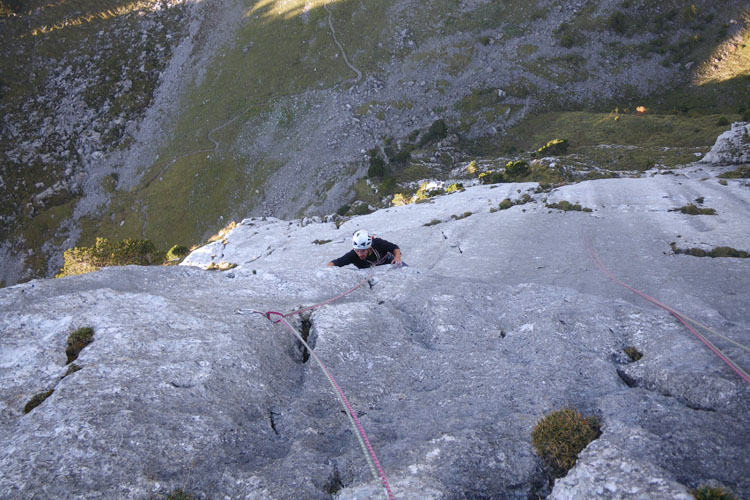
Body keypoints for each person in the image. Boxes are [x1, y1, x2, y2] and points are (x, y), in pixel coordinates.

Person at [327, 229, 403, 268]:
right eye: (357, 251)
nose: (360, 254)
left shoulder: (378, 243)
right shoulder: (353, 255)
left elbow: (394, 247)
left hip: (388, 262)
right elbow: (337, 262)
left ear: (369, 248)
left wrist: (397, 257)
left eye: (363, 251)